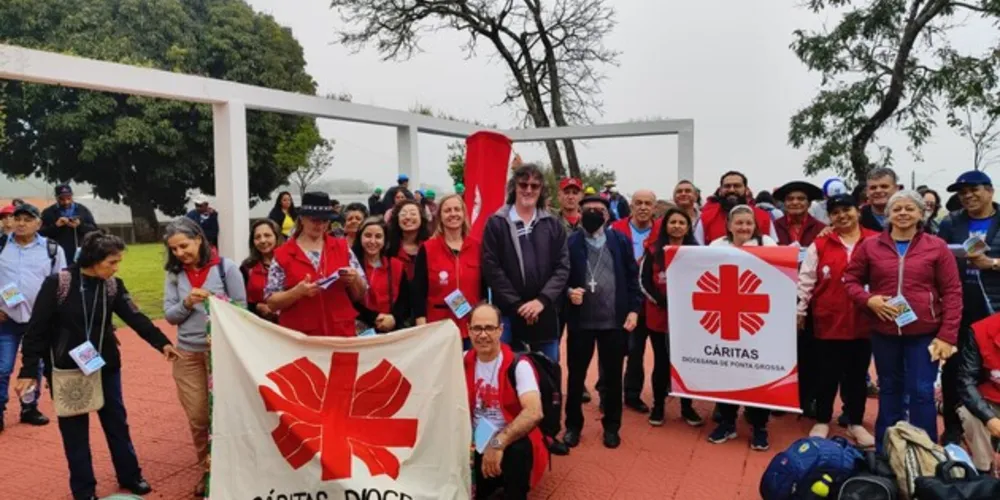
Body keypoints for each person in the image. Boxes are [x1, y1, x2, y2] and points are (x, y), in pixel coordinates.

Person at [15, 231, 180, 500]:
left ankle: (130, 474)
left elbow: (136, 318)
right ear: (93, 259)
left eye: (118, 263)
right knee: (75, 431)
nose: (115, 268)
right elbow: (37, 329)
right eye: (111, 262)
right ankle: (84, 490)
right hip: (67, 368)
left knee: (117, 422)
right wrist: (29, 370)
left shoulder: (113, 285)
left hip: (105, 365)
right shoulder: (59, 283)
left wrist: (162, 343)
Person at [844, 190, 962, 452]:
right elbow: (850, 280)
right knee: (889, 389)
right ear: (888, 215)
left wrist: (947, 335)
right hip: (884, 332)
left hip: (924, 332)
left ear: (921, 213)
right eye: (897, 209)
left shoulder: (936, 247)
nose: (903, 213)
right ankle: (888, 449)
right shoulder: (871, 246)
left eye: (910, 208)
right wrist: (869, 300)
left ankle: (924, 451)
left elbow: (952, 292)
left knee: (921, 392)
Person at [162, 218, 246, 496]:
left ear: (199, 239)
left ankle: (233, 469)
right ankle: (207, 469)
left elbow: (243, 310)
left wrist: (216, 301)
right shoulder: (175, 274)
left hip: (221, 352)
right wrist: (186, 303)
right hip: (187, 353)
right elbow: (170, 315)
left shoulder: (226, 268)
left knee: (226, 414)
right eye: (173, 249)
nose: (179, 253)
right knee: (198, 416)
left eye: (184, 246)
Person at [796, 194, 878, 448]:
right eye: (835, 212)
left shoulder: (876, 240)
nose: (842, 216)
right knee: (826, 374)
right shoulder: (820, 244)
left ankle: (855, 422)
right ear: (829, 217)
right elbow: (807, 278)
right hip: (827, 319)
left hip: (864, 321)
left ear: (858, 211)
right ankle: (822, 419)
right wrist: (800, 310)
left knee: (856, 375)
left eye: (847, 210)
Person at [562, 195, 641, 449]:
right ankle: (573, 425)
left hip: (613, 322)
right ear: (580, 213)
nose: (594, 214)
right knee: (576, 377)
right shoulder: (571, 242)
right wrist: (567, 292)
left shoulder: (620, 241)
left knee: (613, 377)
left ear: (608, 215)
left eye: (599, 210)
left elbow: (632, 278)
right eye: (588, 210)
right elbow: (559, 275)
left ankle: (612, 426)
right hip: (581, 322)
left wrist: (634, 310)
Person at [482, 163, 570, 363]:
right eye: (523, 184)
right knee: (505, 370)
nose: (528, 190)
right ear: (514, 187)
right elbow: (491, 267)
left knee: (548, 372)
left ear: (541, 190)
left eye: (534, 186)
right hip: (506, 312)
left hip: (544, 311)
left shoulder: (553, 223)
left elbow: (562, 267)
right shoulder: (496, 222)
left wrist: (541, 301)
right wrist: (517, 304)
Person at [936, 170, 1000, 445]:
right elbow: (936, 256)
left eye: (974, 190)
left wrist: (994, 264)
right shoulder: (951, 223)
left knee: (993, 369)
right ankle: (953, 426)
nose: (968, 196)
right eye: (962, 193)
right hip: (959, 305)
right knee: (953, 368)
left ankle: (991, 426)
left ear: (990, 191)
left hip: (995, 307)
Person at [706, 205, 776, 450]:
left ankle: (759, 426)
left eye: (749, 223)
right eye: (739, 223)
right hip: (725, 319)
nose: (744, 228)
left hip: (757, 320)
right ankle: (727, 422)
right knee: (727, 371)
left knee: (757, 373)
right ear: (729, 225)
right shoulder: (716, 247)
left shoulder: (767, 244)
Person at [463, 303, 547, 499]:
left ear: (500, 330)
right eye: (477, 328)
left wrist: (498, 443)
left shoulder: (519, 365)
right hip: (476, 440)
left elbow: (534, 412)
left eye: (489, 328)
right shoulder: (462, 360)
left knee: (518, 452)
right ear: (468, 330)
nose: (483, 335)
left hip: (510, 439)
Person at [0, 203, 67, 430]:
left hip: (38, 321)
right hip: (6, 319)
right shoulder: (1, 246)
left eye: (27, 219)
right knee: (2, 367)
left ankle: (29, 407)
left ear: (38, 223)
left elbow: (62, 283)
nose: (20, 223)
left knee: (35, 366)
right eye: (17, 218)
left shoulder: (52, 250)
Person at [266, 192, 367, 337]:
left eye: (325, 220)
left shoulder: (342, 247)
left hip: (340, 333)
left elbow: (361, 294)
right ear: (302, 219)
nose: (320, 224)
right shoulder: (283, 254)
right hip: (301, 337)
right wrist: (296, 292)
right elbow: (271, 302)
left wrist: (355, 279)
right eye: (314, 219)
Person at [639, 208, 703, 427]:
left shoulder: (698, 252)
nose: (677, 226)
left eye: (681, 222)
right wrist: (663, 301)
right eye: (672, 222)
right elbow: (644, 281)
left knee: (687, 364)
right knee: (662, 362)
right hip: (660, 317)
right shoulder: (653, 250)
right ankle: (658, 406)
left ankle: (687, 407)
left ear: (688, 227)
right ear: (665, 225)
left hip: (689, 320)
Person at [611, 189, 660, 413]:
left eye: (647, 203)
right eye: (638, 203)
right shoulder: (616, 228)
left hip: (651, 304)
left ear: (654, 207)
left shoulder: (661, 231)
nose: (642, 207)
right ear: (630, 206)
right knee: (615, 349)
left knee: (638, 351)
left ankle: (632, 394)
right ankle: (607, 392)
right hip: (622, 300)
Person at [413, 195, 482, 346]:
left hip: (471, 327)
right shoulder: (427, 248)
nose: (453, 214)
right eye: (447, 210)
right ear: (440, 217)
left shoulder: (478, 247)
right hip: (438, 327)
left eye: (457, 209)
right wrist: (421, 325)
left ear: (464, 214)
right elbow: (418, 291)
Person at [957, 313, 1000, 474]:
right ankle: (983, 472)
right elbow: (966, 381)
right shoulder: (981, 330)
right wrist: (989, 418)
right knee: (968, 413)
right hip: (992, 400)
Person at [351, 218, 410, 334]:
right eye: (368, 235)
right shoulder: (352, 265)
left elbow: (405, 300)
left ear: (385, 241)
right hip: (359, 329)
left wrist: (394, 318)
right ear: (360, 237)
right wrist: (374, 317)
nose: (372, 241)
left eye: (378, 236)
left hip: (391, 329)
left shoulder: (396, 266)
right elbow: (348, 301)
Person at [694, 171, 777, 245]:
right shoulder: (706, 218)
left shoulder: (764, 217)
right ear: (720, 190)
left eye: (737, 186)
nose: (732, 190)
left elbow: (774, 252)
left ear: (746, 190)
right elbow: (699, 251)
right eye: (727, 186)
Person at [40, 184, 98, 265]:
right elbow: (40, 233)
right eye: (62, 199)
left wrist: (80, 225)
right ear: (56, 198)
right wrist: (56, 226)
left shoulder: (82, 209)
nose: (66, 202)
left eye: (69, 198)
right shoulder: (48, 212)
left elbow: (94, 229)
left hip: (80, 253)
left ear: (72, 196)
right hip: (56, 254)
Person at [240, 219, 283, 322]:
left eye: (267, 235)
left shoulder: (289, 263)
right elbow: (240, 301)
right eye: (257, 237)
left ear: (277, 236)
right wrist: (257, 306)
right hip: (257, 325)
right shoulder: (247, 268)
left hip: (287, 325)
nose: (263, 240)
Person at [385, 199, 431, 280]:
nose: (408, 217)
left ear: (421, 218)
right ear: (397, 219)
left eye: (413, 214)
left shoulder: (430, 247)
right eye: (403, 214)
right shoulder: (387, 247)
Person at [773, 181, 826, 247]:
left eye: (801, 199)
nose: (795, 202)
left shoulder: (821, 229)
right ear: (784, 203)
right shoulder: (774, 228)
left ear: (809, 204)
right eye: (790, 199)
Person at [860, 168, 899, 232]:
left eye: (884, 186)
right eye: (873, 188)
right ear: (867, 192)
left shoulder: (909, 216)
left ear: (896, 189)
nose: (878, 191)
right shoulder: (857, 219)